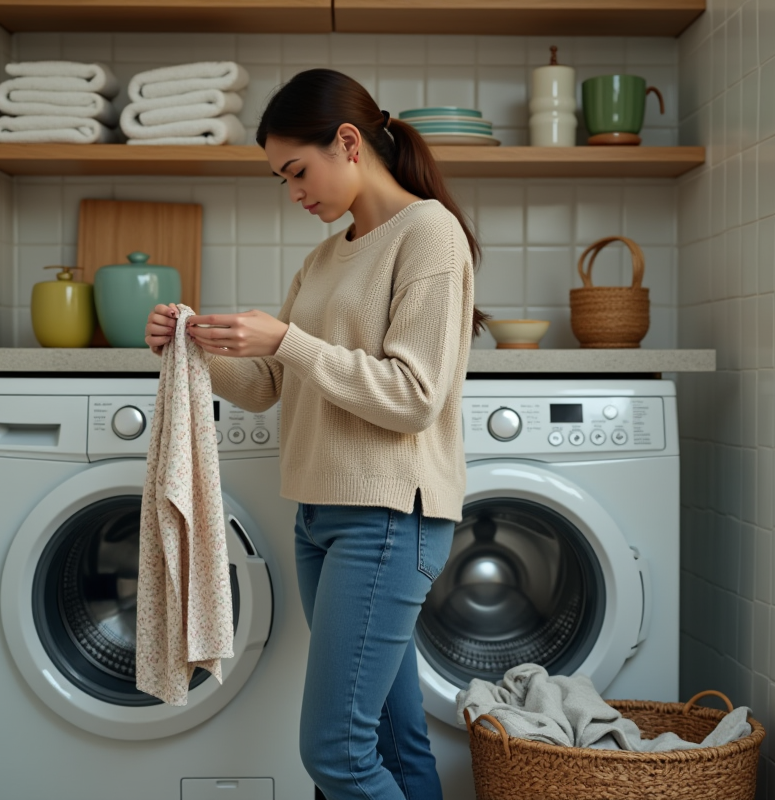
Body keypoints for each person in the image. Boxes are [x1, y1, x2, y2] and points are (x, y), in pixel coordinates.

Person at [144, 68, 485, 800]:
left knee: (335, 755)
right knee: (393, 744)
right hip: (321, 519)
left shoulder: (429, 233)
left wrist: (288, 338)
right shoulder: (326, 258)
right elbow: (272, 386)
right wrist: (192, 346)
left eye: (298, 171)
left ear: (349, 143)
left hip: (391, 519)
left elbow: (414, 395)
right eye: (282, 180)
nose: (296, 193)